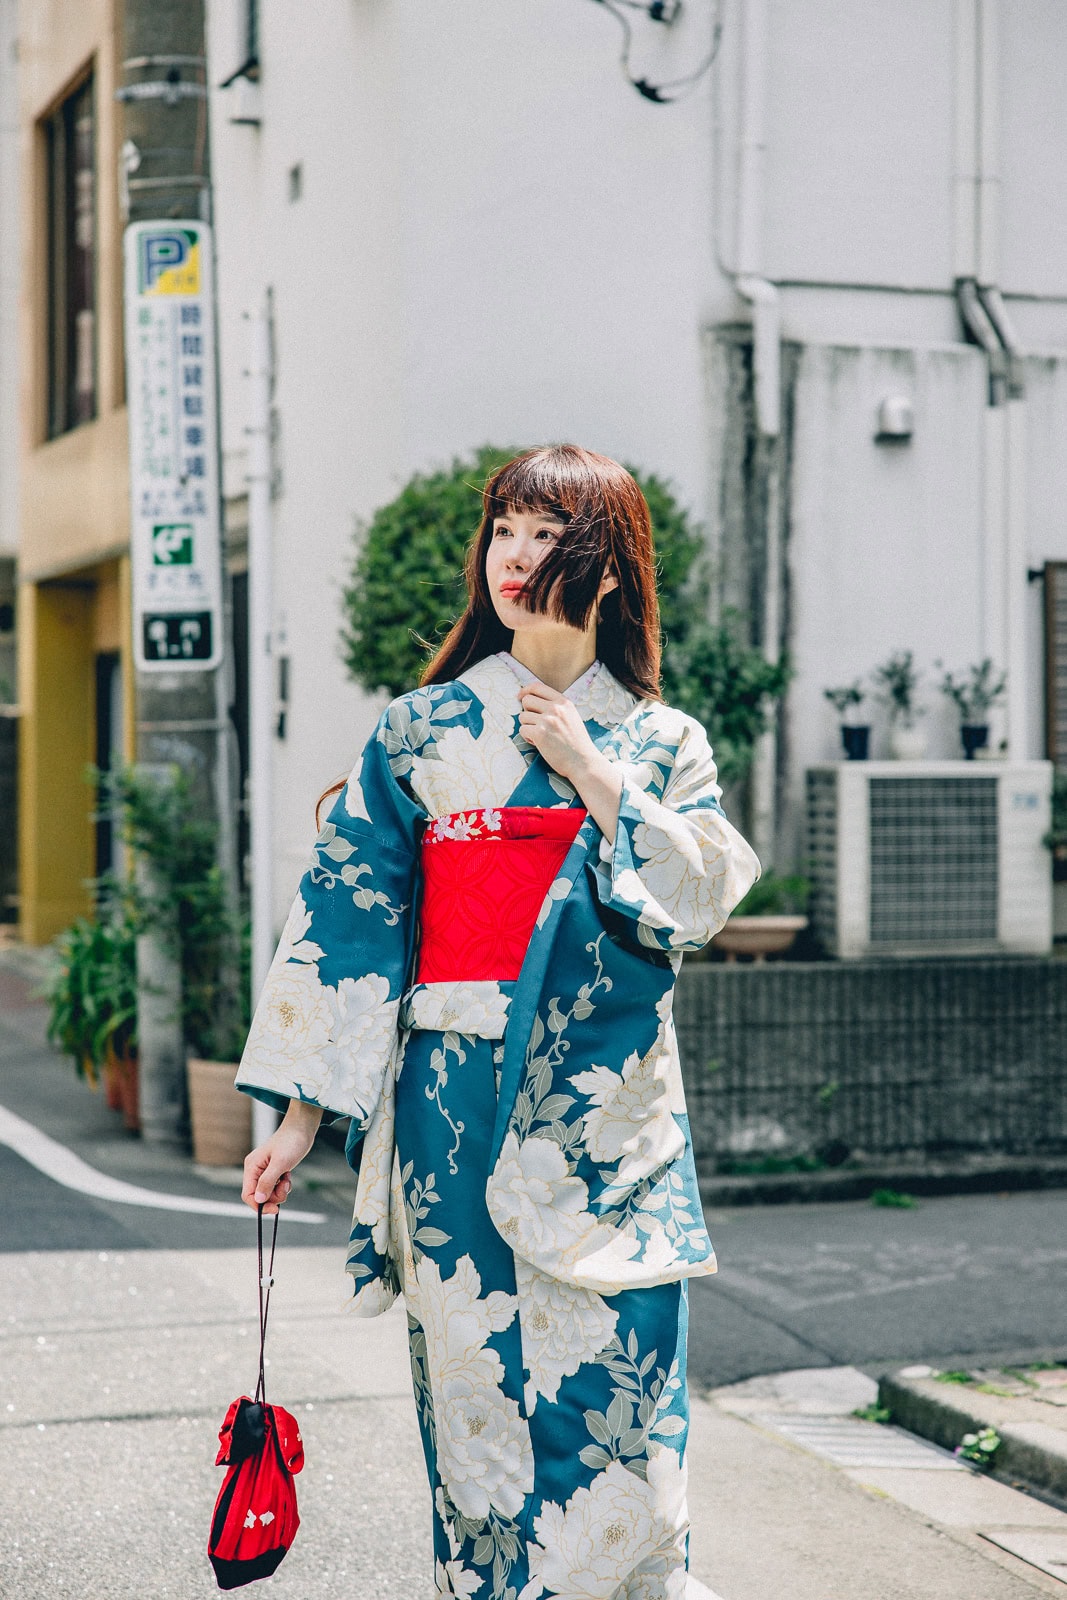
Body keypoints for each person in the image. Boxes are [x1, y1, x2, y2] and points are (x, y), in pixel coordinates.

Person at [237, 444, 760, 1600]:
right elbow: (349, 918)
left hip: (606, 1120)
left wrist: (597, 776)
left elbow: (708, 896)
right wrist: (295, 1118)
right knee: (479, 1418)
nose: (515, 559)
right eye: (503, 533)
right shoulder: (420, 732)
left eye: (546, 535)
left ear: (610, 569)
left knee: (622, 1422)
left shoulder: (660, 742)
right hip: (453, 1109)